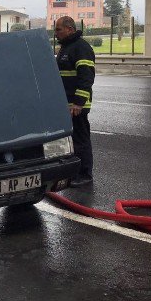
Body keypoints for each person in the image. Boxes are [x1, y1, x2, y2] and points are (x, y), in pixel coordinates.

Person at [55, 16, 95, 186]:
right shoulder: (67, 48)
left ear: (70, 29)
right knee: (72, 140)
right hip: (68, 104)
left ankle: (85, 174)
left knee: (80, 139)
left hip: (77, 105)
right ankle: (74, 172)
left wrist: (78, 102)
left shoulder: (80, 48)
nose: (56, 33)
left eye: (59, 30)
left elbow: (86, 77)